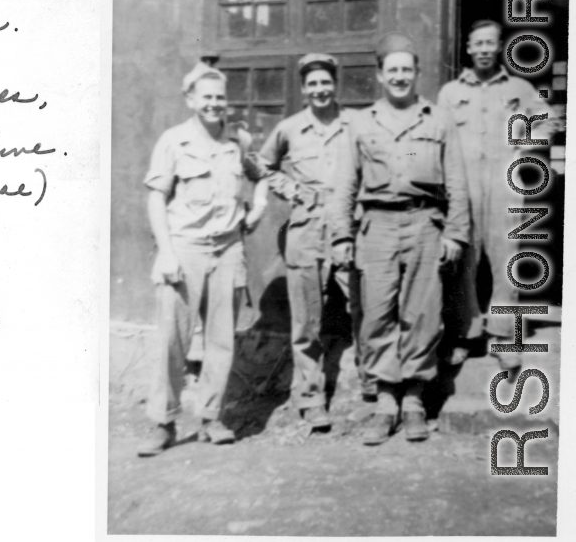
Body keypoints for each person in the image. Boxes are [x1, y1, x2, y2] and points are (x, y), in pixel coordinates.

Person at [329, 33, 470, 445]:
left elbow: (458, 182)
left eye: (407, 69)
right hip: (376, 227)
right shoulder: (360, 122)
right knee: (376, 314)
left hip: (425, 223)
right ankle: (385, 402)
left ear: (417, 73)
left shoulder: (438, 118)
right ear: (379, 75)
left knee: (423, 314)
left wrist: (457, 233)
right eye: (392, 70)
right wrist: (342, 236)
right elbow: (343, 186)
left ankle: (413, 401)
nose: (400, 77)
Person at [137, 62, 261, 457]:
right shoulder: (173, 142)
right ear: (190, 100)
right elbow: (156, 197)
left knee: (222, 340)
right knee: (172, 341)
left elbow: (261, 174)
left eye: (220, 97)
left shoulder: (237, 141)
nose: (214, 104)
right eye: (206, 97)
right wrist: (167, 252)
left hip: (228, 249)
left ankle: (211, 417)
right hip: (185, 248)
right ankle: (163, 422)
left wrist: (257, 207)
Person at [251, 53, 375, 430]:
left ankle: (373, 387)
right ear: (304, 89)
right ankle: (311, 397)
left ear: (335, 85)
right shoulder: (289, 128)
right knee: (306, 318)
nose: (320, 90)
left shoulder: (356, 122)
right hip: (306, 230)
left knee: (366, 304)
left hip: (349, 226)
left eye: (326, 82)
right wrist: (289, 188)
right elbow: (260, 163)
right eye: (313, 84)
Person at [438, 19, 554, 369]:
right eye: (479, 43)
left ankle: (505, 338)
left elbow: (546, 121)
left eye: (491, 43)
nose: (485, 49)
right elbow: (436, 136)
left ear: (499, 46)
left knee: (507, 260)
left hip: (506, 184)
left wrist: (526, 149)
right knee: (463, 261)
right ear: (469, 49)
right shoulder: (449, 93)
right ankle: (465, 335)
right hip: (463, 188)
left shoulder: (519, 86)